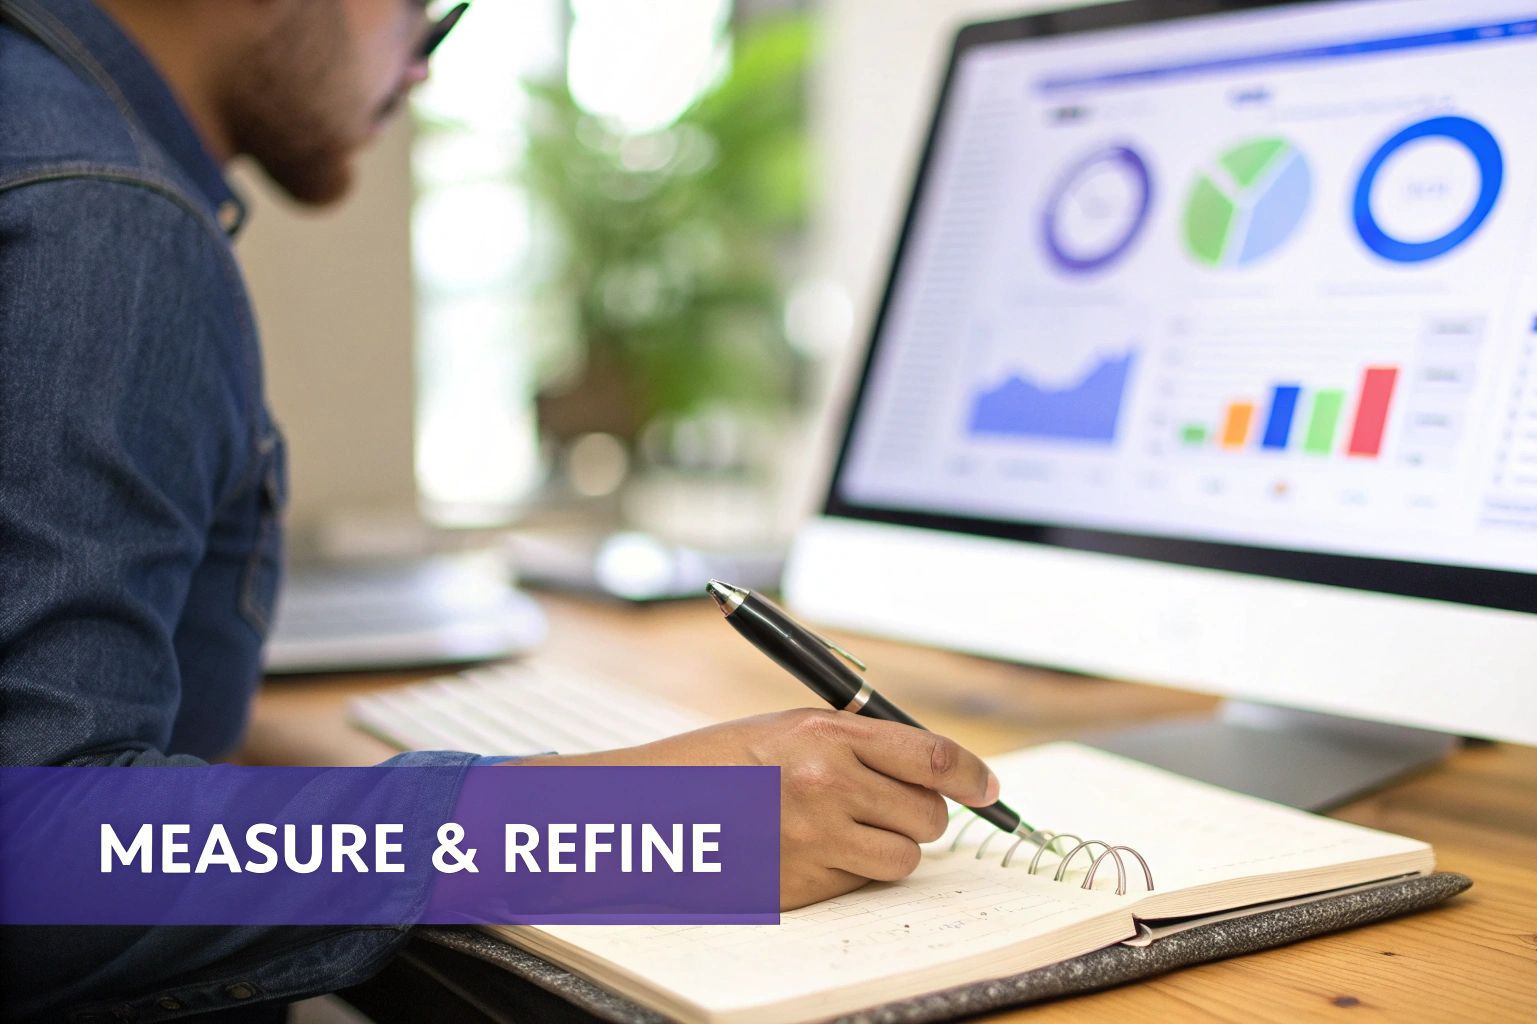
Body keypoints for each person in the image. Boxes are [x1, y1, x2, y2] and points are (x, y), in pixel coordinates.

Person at [0, 0, 1004, 1018]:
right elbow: (33, 860)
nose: (421, 69)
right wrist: (643, 828)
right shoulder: (99, 213)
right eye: (421, 19)